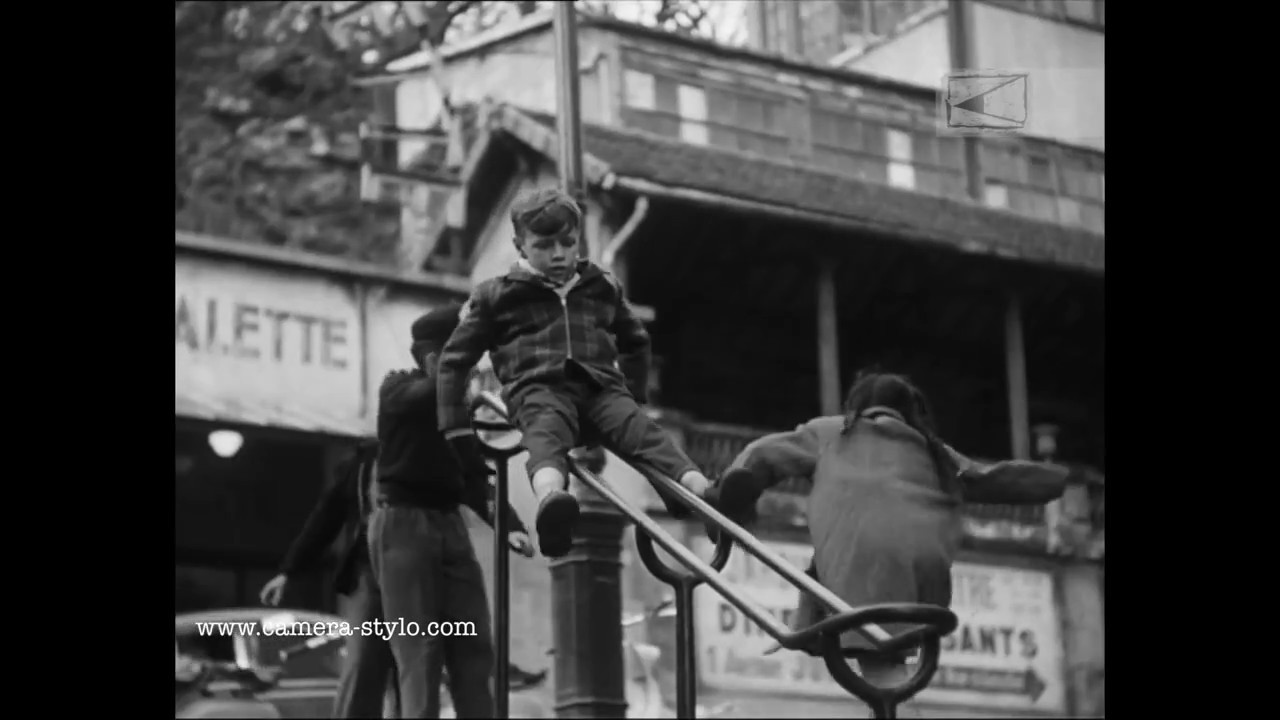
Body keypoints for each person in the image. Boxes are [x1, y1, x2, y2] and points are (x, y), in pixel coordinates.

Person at [713, 371, 1074, 716]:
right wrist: (1058, 480)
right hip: (925, 573)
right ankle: (812, 631)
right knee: (881, 652)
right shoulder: (934, 450)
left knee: (877, 655)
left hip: (861, 566)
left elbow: (763, 453)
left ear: (856, 406)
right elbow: (992, 478)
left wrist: (731, 486)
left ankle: (808, 627)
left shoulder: (832, 432)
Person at [436, 187, 712, 559]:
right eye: (545, 246)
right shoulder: (496, 297)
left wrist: (633, 394)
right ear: (521, 247)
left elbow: (636, 339)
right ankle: (553, 501)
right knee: (545, 436)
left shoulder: (599, 285)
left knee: (642, 432)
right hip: (537, 387)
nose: (560, 254)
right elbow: (454, 360)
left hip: (601, 388)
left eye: (568, 243)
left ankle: (700, 489)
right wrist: (455, 426)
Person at [370, 305, 534, 719]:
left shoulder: (460, 414)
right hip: (403, 523)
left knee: (474, 642)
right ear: (430, 357)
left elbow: (474, 474)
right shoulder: (397, 389)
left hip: (449, 523)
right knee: (420, 650)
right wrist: (455, 376)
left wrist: (508, 523)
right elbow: (421, 396)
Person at [260, 440, 398, 719]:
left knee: (414, 670)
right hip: (371, 571)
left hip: (420, 572)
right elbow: (326, 517)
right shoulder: (363, 464)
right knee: (363, 665)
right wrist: (290, 570)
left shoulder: (432, 450)